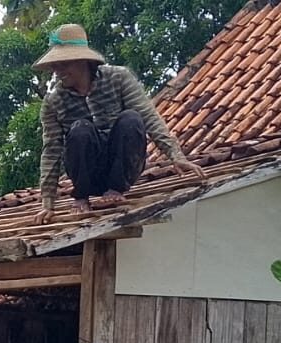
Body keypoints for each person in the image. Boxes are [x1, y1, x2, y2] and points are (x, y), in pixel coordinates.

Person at [32, 23, 207, 225]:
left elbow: (149, 117)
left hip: (123, 167)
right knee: (80, 129)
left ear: (82, 61)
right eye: (55, 66)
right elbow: (51, 151)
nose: (58, 71)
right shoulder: (53, 102)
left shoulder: (119, 77)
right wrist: (47, 203)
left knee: (131, 118)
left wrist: (176, 156)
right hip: (87, 172)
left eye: (64, 65)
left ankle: (115, 189)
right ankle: (82, 196)